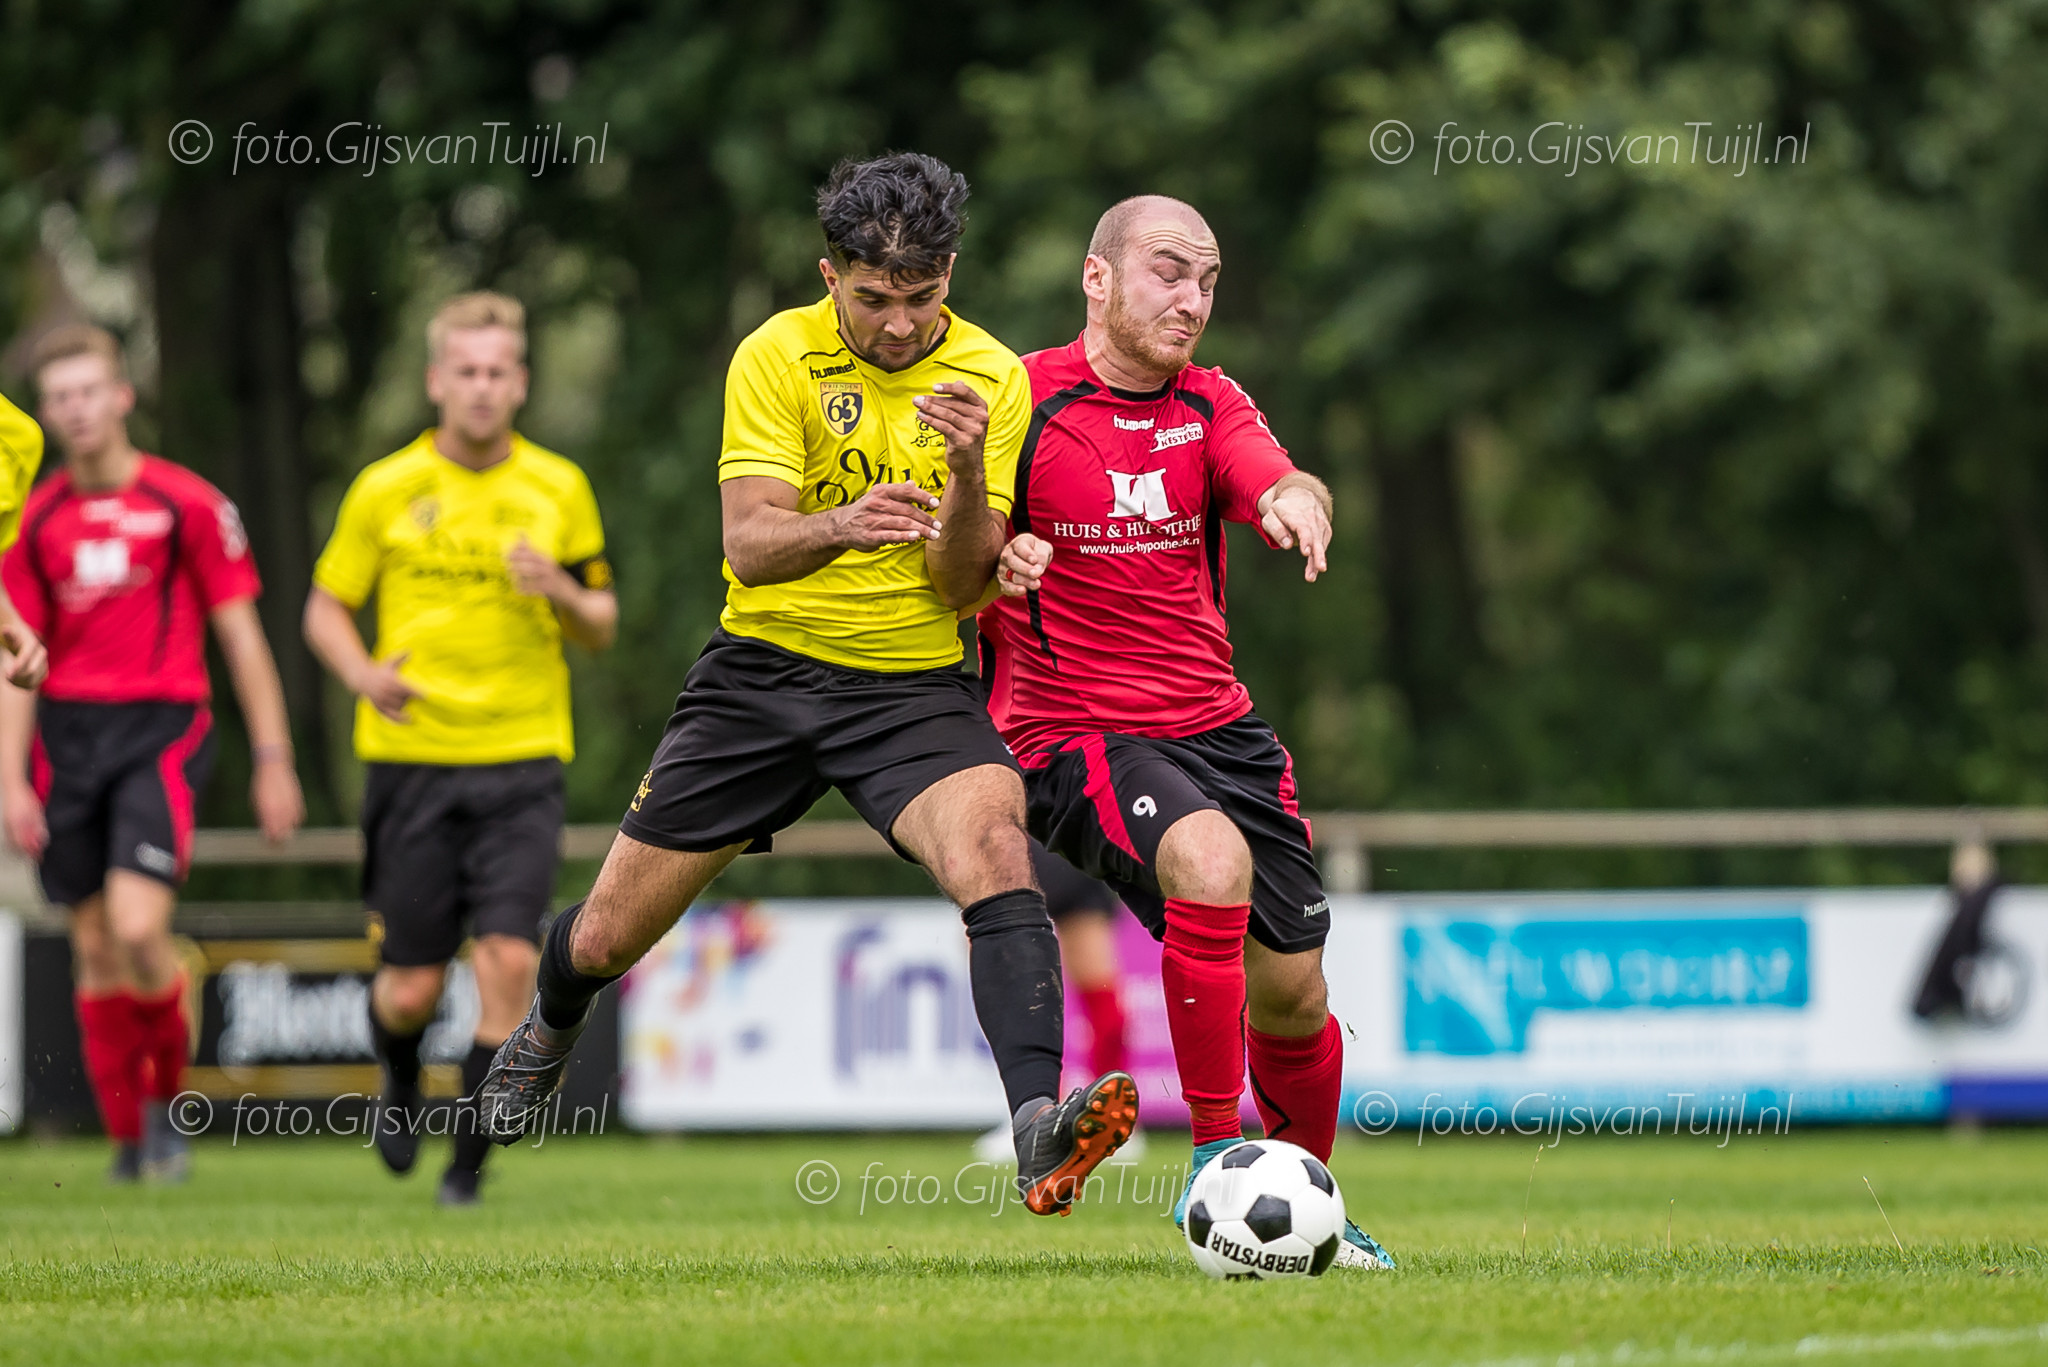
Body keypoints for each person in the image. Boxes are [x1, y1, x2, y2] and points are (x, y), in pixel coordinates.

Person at [477, 152, 1138, 1216]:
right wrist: (843, 522)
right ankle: (550, 1026)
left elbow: (961, 584)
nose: (898, 324)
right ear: (830, 276)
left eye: (921, 297)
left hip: (914, 685)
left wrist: (969, 471)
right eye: (873, 299)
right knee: (601, 937)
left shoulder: (991, 376)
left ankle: (1034, 1126)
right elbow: (748, 545)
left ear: (951, 274)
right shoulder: (774, 354)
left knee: (995, 848)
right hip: (763, 677)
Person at [978, 195, 1396, 1267]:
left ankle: (1303, 1204)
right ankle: (1215, 1170)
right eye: (1168, 271)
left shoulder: (1209, 402)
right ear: (1097, 278)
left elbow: (1272, 472)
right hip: (1071, 730)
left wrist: (1297, 498)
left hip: (1221, 729)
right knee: (1209, 861)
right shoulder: (1020, 397)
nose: (1192, 299)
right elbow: (952, 553)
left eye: (1207, 280)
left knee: (1294, 994)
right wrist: (992, 560)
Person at [304, 292, 617, 1206]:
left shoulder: (558, 486)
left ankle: (466, 1167)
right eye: (466, 371)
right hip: (411, 764)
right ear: (436, 380)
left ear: (520, 383)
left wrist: (561, 588)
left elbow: (601, 622)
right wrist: (362, 673)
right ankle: (400, 1077)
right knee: (406, 991)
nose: (481, 387)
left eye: (497, 371)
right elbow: (324, 608)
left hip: (522, 760)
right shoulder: (386, 486)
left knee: (510, 964)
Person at [0, 324, 304, 1183]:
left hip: (161, 730)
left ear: (123, 395)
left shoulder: (186, 503)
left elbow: (242, 637)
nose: (76, 410)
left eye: (89, 391)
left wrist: (274, 757)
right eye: (59, 398)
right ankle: (129, 1140)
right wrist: (10, 779)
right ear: (46, 414)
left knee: (139, 931)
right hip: (67, 737)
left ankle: (167, 1110)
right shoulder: (33, 517)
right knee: (95, 944)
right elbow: (14, 655)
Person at [974, 840, 1145, 1164]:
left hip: (1064, 847)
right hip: (1012, 848)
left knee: (1103, 1001)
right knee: (1014, 997)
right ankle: (1033, 1115)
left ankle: (1112, 1118)